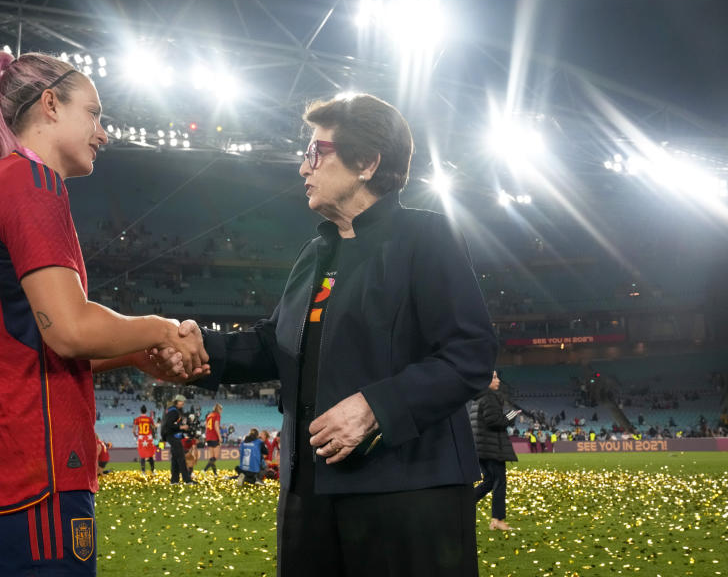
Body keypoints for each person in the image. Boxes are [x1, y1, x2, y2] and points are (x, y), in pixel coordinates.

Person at [156, 94, 496, 577]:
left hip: (409, 495)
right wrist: (197, 347)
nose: (302, 167)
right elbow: (275, 345)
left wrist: (376, 407)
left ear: (367, 163)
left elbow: (470, 355)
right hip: (307, 495)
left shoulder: (427, 238)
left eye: (316, 152)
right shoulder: (317, 253)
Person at [0, 49, 208, 577]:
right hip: (28, 475)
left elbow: (23, 345)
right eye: (95, 113)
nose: (103, 133)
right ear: (51, 104)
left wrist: (131, 354)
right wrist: (163, 329)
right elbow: (72, 331)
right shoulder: (31, 184)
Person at [468, 370, 520, 531]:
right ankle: (497, 519)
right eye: (494, 377)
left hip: (481, 447)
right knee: (499, 482)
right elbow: (495, 422)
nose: (498, 380)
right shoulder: (490, 397)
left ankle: (463, 505)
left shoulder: (478, 399)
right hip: (491, 448)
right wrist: (511, 415)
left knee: (489, 481)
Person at [163, 395, 196, 484]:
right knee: (181, 458)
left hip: (171, 436)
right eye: (182, 402)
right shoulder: (173, 411)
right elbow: (169, 425)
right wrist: (181, 427)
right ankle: (187, 480)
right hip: (173, 437)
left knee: (175, 459)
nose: (183, 404)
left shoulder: (172, 410)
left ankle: (174, 480)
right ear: (178, 401)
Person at [133, 405, 157, 474]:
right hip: (148, 438)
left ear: (140, 411)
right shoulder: (149, 419)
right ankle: (152, 471)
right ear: (146, 411)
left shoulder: (137, 419)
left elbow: (134, 430)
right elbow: (154, 427)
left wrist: (135, 435)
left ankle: (143, 471)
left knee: (142, 455)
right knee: (150, 455)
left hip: (141, 438)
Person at [202, 403, 222, 475]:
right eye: (221, 409)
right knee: (215, 457)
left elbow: (206, 427)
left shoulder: (209, 415)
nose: (221, 411)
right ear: (218, 409)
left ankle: (215, 473)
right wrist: (219, 437)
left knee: (212, 457)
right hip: (214, 436)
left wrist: (206, 437)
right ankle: (204, 470)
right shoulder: (217, 415)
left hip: (209, 437)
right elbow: (216, 426)